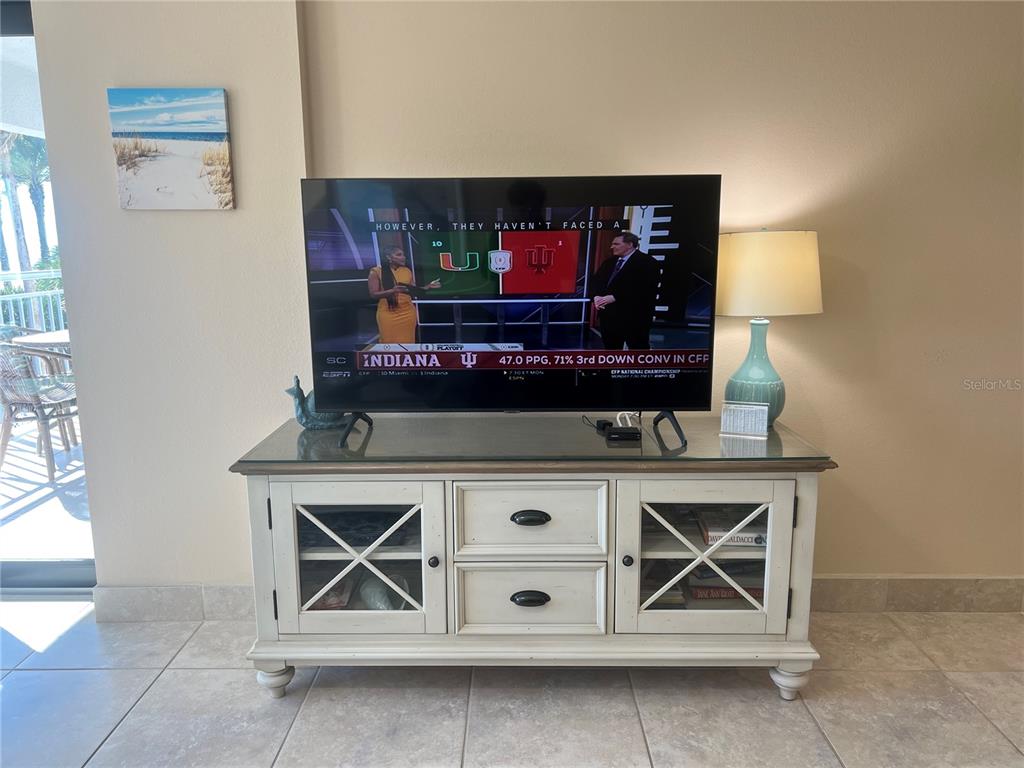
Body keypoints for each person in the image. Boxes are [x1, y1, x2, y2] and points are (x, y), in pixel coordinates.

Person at [590, 232, 660, 349]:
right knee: (611, 352)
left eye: (616, 244)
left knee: (638, 351)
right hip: (609, 317)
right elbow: (595, 282)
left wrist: (616, 297)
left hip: (634, 318)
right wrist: (596, 297)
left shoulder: (648, 263)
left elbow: (644, 289)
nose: (612, 247)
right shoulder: (609, 262)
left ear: (630, 244)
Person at [368, 246, 440, 343]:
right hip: (388, 313)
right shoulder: (376, 272)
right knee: (389, 343)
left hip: (408, 312)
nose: (403, 257)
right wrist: (392, 291)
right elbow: (373, 294)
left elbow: (413, 290)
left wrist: (428, 287)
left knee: (408, 342)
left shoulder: (407, 271)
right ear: (389, 257)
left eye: (403, 255)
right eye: (399, 255)